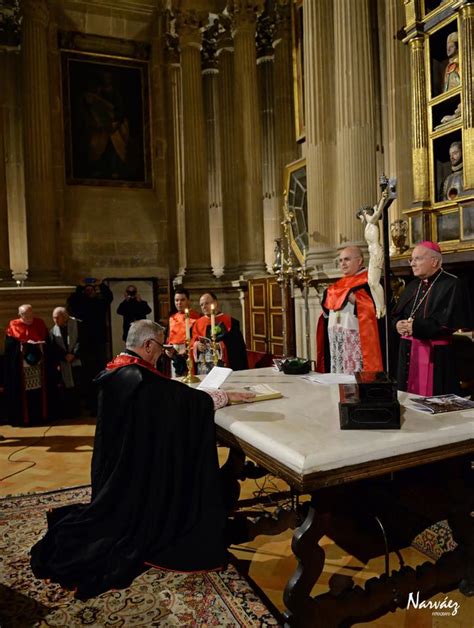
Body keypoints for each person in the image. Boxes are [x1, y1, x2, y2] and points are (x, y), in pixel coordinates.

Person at [30, 320, 253, 599]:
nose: (162, 352)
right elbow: (179, 402)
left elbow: (166, 399)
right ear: (148, 345)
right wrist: (224, 396)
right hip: (133, 482)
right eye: (160, 346)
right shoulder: (138, 378)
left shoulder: (118, 369)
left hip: (118, 468)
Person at [392, 241, 468, 396]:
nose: (412, 264)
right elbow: (397, 314)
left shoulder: (451, 284)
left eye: (417, 259)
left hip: (436, 355)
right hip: (408, 351)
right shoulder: (413, 285)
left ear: (434, 261)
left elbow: (448, 320)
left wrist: (415, 327)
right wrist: (397, 325)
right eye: (411, 260)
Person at [316, 247, 383, 374]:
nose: (343, 263)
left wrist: (358, 301)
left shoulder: (370, 283)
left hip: (357, 340)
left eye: (347, 259)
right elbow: (326, 313)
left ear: (360, 261)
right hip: (337, 340)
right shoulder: (337, 285)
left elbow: (377, 310)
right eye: (340, 260)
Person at [67, 279, 113, 414]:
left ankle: (101, 402)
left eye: (92, 290)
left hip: (99, 343)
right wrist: (79, 287)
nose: (90, 292)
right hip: (86, 344)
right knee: (87, 374)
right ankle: (90, 404)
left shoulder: (100, 303)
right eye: (87, 291)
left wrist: (101, 285)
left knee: (100, 372)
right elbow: (73, 301)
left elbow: (108, 297)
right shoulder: (81, 305)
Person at [4, 304, 49, 426]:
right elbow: (10, 348)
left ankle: (39, 417)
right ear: (20, 315)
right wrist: (23, 346)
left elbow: (47, 340)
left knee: (37, 392)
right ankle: (24, 419)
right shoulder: (14, 325)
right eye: (26, 315)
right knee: (24, 394)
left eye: (31, 314)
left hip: (38, 367)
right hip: (22, 368)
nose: (29, 317)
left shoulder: (39, 323)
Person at [192, 292, 248, 375]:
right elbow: (192, 342)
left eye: (206, 303)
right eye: (201, 305)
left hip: (223, 365)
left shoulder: (230, 321)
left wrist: (221, 346)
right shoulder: (198, 323)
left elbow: (237, 345)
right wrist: (197, 346)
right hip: (204, 366)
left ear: (215, 303)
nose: (204, 307)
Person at [356, 188, 389, 319]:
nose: (361, 220)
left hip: (376, 252)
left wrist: (382, 199)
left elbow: (377, 213)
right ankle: (378, 308)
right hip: (373, 253)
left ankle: (382, 307)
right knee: (370, 282)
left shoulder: (371, 221)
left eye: (360, 217)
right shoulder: (369, 225)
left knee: (375, 282)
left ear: (363, 213)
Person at [50, 307, 82, 416]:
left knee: (78, 385)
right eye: (53, 318)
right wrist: (65, 356)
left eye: (57, 318)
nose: (55, 320)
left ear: (64, 317)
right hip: (64, 362)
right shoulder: (53, 331)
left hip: (77, 360)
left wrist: (74, 354)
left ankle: (78, 410)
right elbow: (54, 347)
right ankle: (69, 411)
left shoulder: (77, 325)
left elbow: (81, 341)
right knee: (66, 388)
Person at [164, 288, 200, 376]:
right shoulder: (172, 318)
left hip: (190, 355)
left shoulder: (197, 317)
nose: (179, 303)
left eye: (182, 300)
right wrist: (167, 350)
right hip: (174, 356)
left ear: (188, 300)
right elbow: (167, 338)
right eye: (176, 300)